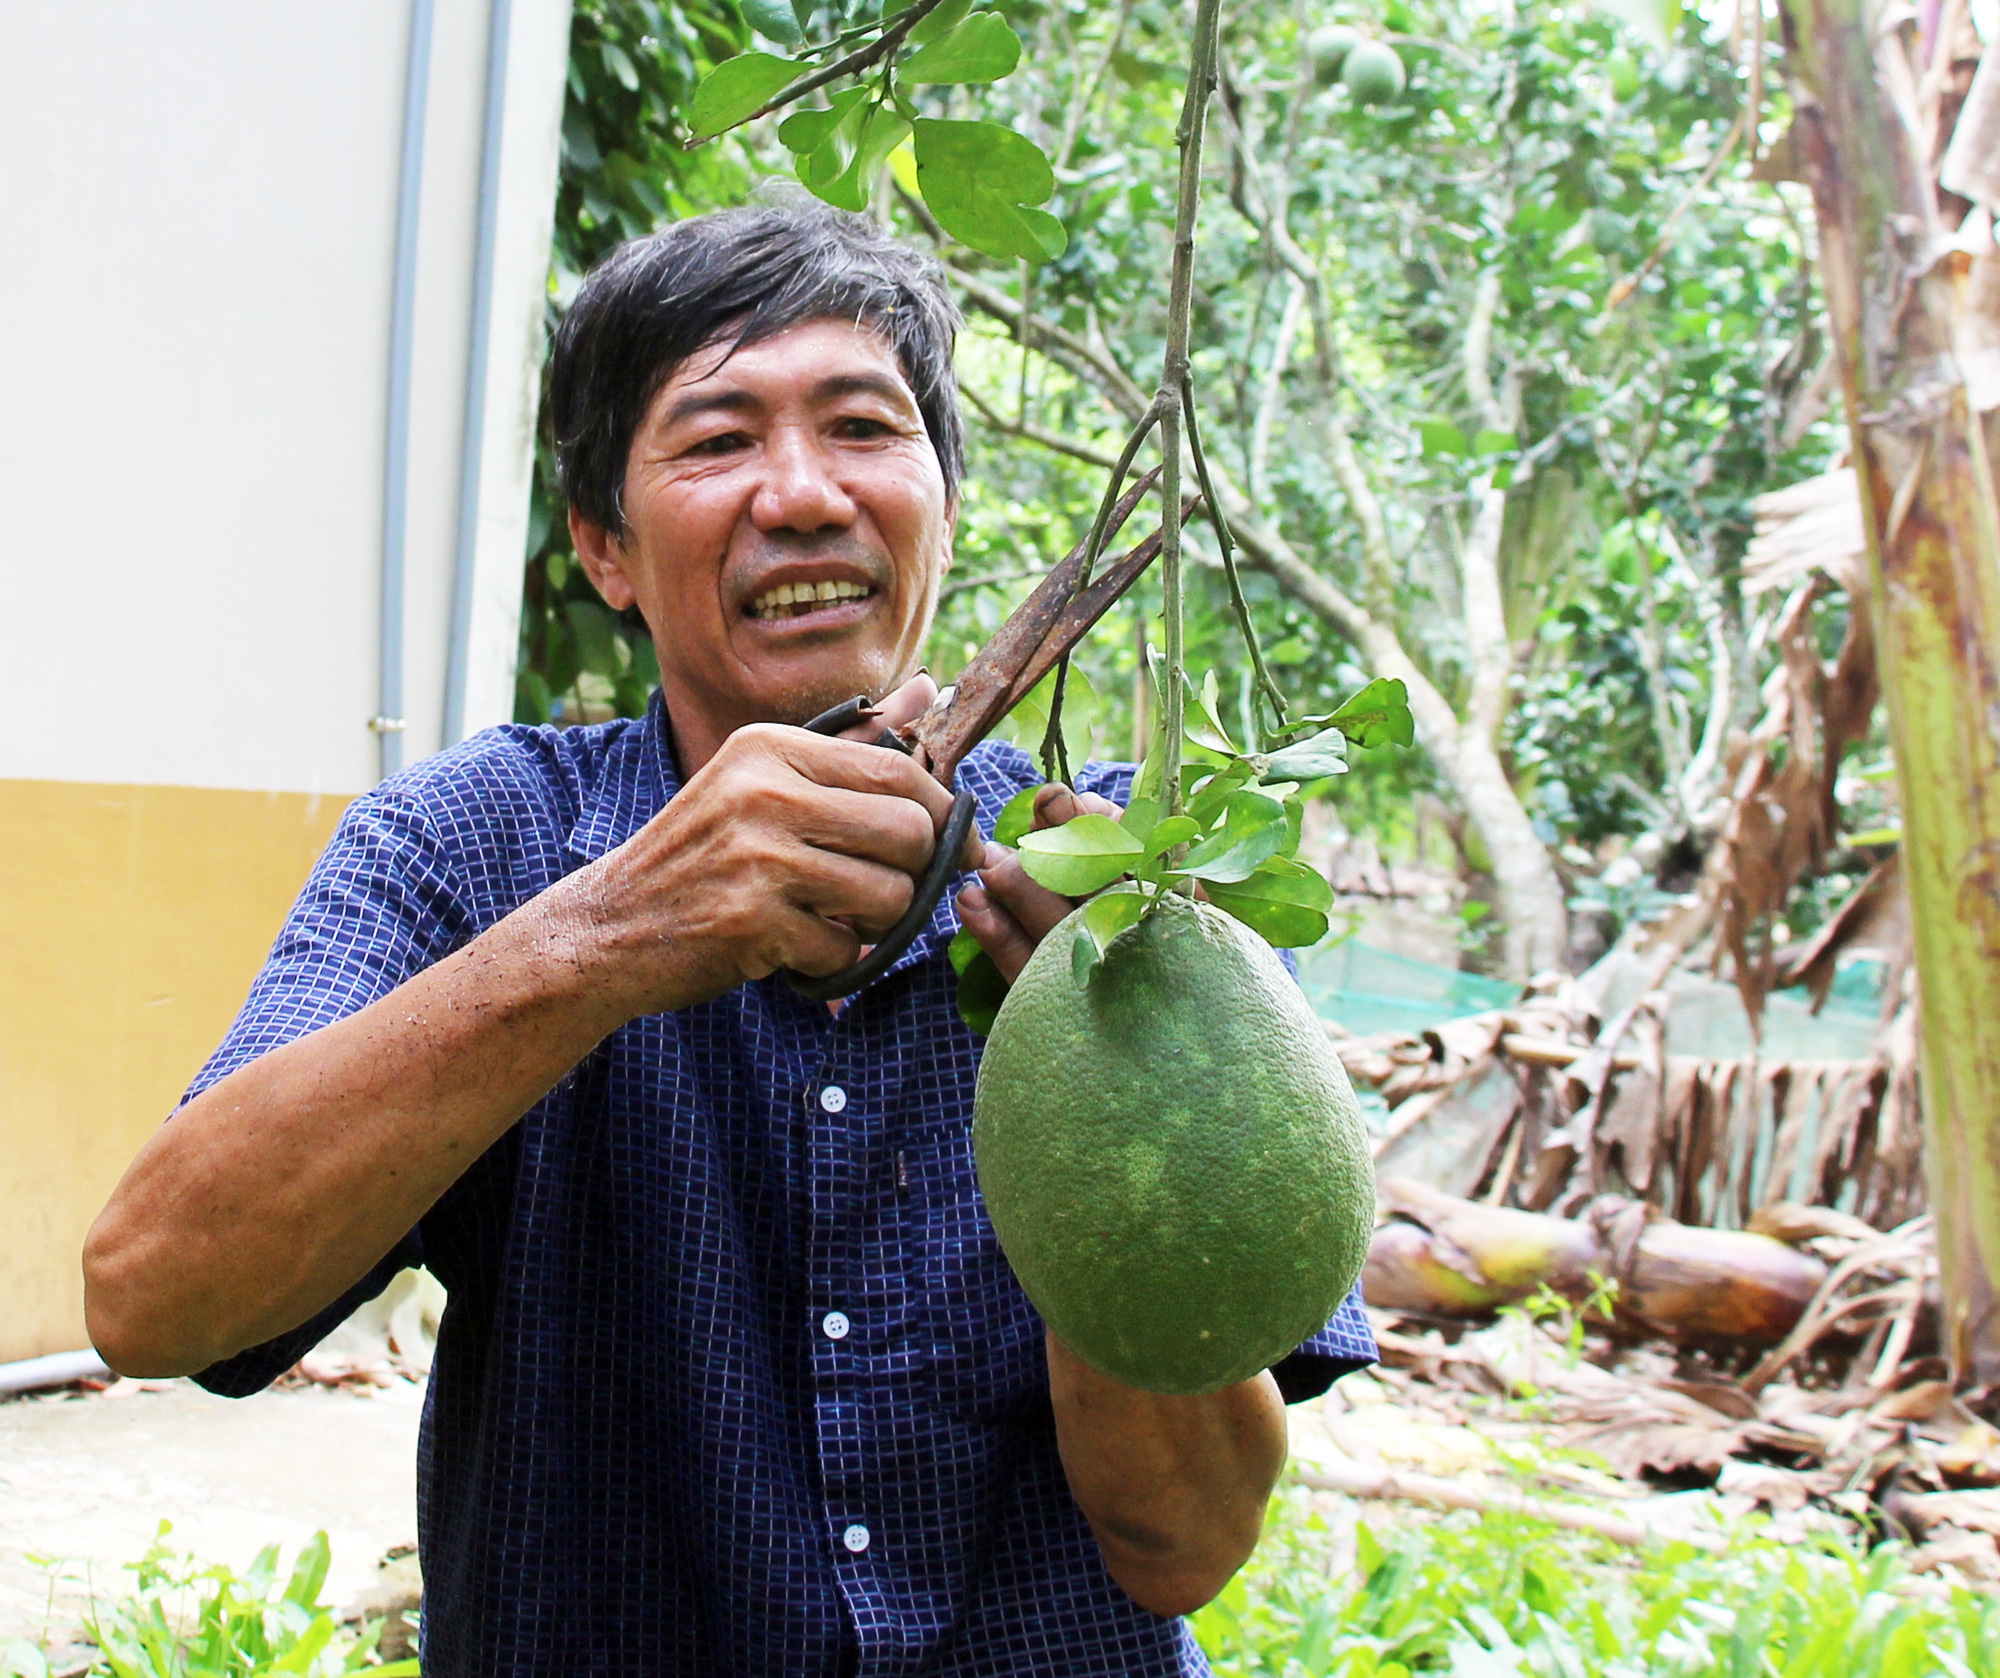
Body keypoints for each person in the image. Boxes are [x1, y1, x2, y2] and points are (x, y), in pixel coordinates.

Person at [83, 201, 1373, 1676]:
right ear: (605, 551)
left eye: (862, 427)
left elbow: (1188, 1544)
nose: (805, 492)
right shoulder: (474, 844)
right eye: (717, 441)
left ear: (942, 502)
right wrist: (610, 932)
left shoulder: (1118, 885)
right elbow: (149, 1295)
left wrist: (1108, 1104)